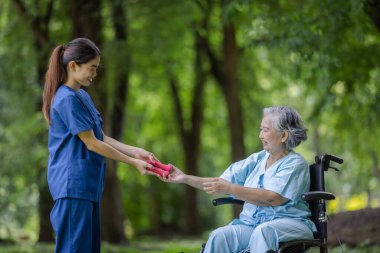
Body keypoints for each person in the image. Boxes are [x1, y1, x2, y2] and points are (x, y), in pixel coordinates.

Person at [42, 38, 158, 253]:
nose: (94, 74)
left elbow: (100, 136)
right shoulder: (66, 99)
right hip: (72, 186)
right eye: (91, 68)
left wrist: (136, 152)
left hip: (87, 185)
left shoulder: (82, 96)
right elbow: (92, 143)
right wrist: (132, 163)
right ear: (73, 66)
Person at [164, 106, 317, 253]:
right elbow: (219, 183)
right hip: (252, 225)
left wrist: (230, 188)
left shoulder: (295, 164)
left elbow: (272, 197)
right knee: (220, 236)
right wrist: (184, 178)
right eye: (260, 130)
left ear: (283, 136)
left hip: (290, 224)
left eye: (265, 130)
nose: (260, 135)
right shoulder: (257, 159)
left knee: (263, 232)